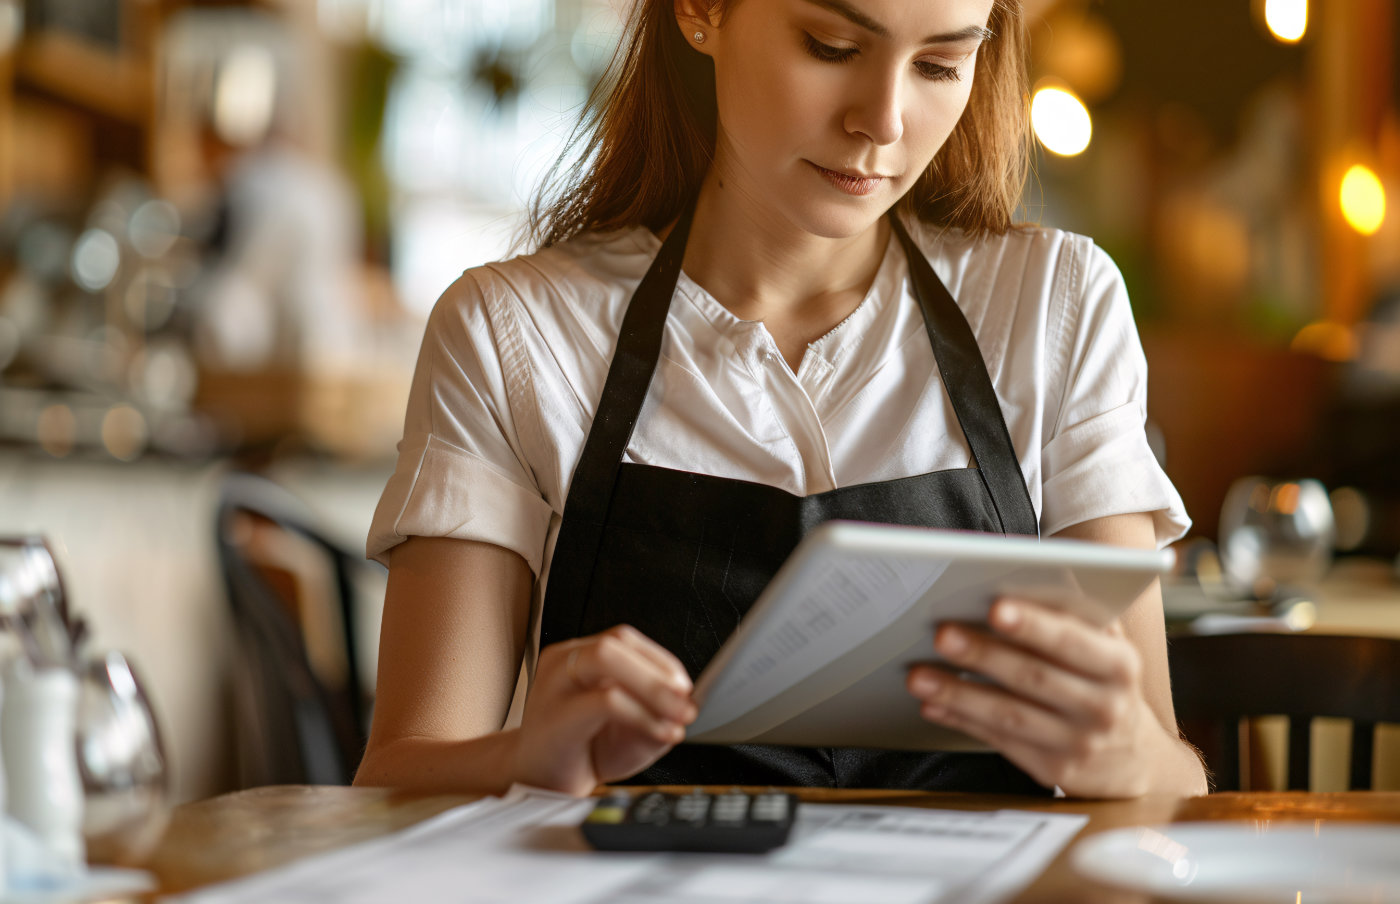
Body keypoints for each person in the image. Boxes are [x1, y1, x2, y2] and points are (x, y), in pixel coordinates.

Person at [355, 0, 1209, 799]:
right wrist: (524, 757)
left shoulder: (1055, 307)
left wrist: (1126, 754)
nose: (883, 120)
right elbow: (395, 781)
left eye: (941, 66)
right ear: (699, 10)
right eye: (831, 47)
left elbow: (1171, 777)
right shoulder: (516, 334)